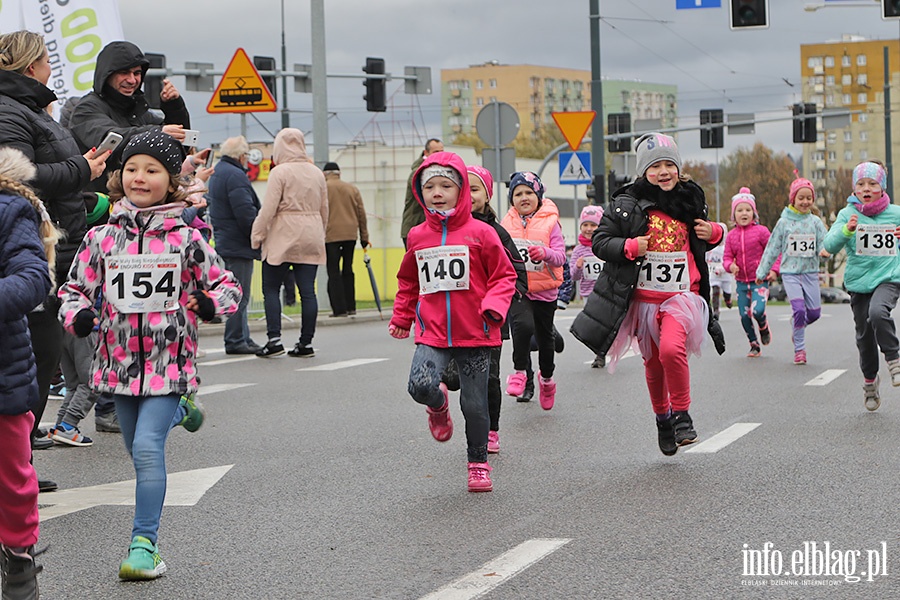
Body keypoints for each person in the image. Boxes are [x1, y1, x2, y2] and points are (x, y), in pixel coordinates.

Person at [57, 130, 241, 580]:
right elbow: (74, 290)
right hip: (117, 365)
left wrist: (211, 304)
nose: (140, 177)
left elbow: (226, 285)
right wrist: (78, 316)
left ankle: (144, 545)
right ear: (120, 177)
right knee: (134, 446)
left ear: (171, 180)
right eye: (132, 169)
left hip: (168, 362)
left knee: (145, 449)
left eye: (153, 170)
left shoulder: (186, 239)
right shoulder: (101, 238)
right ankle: (181, 411)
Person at [571, 133, 726, 456]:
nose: (664, 171)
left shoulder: (690, 198)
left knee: (672, 350)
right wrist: (627, 247)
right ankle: (663, 418)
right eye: (656, 166)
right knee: (654, 364)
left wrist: (716, 232)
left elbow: (703, 236)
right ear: (643, 172)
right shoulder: (627, 204)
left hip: (681, 297)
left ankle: (682, 414)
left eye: (670, 164)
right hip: (643, 299)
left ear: (680, 169)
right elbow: (600, 241)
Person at [0, 31, 109, 490]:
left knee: (40, 358)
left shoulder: (31, 108)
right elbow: (18, 175)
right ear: (31, 66)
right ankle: (15, 467)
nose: (51, 67)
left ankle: (19, 465)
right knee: (33, 356)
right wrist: (83, 168)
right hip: (33, 246)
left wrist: (87, 193)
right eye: (47, 60)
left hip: (55, 242)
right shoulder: (10, 110)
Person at [389, 152, 517, 492]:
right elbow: (409, 280)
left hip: (476, 332)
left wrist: (493, 307)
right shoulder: (417, 236)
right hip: (432, 332)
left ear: (461, 191)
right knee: (419, 385)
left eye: (446, 185)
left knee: (475, 405)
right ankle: (438, 405)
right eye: (429, 186)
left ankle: (477, 463)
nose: (437, 192)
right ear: (420, 192)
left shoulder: (482, 233)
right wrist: (402, 315)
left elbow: (504, 276)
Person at [0, 147, 56, 599]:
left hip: (3, 373)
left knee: (12, 479)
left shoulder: (10, 207)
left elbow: (33, 274)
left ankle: (18, 557)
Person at [823, 161, 900, 410]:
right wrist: (846, 230)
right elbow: (830, 243)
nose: (866, 188)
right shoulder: (848, 214)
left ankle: (893, 358)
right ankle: (870, 382)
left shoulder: (895, 213)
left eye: (872, 184)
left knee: (878, 313)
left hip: (888, 276)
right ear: (854, 188)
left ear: (883, 187)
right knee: (864, 337)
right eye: (861, 184)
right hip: (858, 282)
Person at [67, 40, 190, 193]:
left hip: (134, 204)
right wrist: (158, 132)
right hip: (98, 205)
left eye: (137, 73)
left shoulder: (138, 111)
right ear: (107, 75)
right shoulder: (86, 109)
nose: (132, 80)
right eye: (124, 73)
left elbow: (177, 149)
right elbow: (111, 139)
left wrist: (174, 107)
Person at [251, 128, 327, 358]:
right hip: (311, 232)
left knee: (272, 288)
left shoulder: (279, 172)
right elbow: (325, 209)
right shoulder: (317, 173)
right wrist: (320, 231)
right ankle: (306, 343)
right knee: (308, 292)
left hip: (283, 233)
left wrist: (257, 235)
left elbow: (269, 209)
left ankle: (274, 340)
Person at [467, 165, 526, 454]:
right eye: (462, 188)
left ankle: (491, 430)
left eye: (474, 189)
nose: (468, 195)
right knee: (454, 375)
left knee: (488, 377)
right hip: (455, 319)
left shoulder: (496, 232)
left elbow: (519, 274)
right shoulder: (442, 231)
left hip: (489, 321)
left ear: (487, 195)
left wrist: (502, 302)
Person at [500, 172, 567, 410]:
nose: (524, 197)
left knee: (545, 340)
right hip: (519, 289)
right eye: (518, 194)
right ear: (511, 199)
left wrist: (545, 253)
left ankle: (546, 380)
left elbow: (560, 257)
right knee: (522, 328)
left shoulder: (551, 223)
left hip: (545, 291)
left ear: (539, 196)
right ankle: (520, 373)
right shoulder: (506, 224)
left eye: (529, 192)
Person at [756, 175, 827, 365]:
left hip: (811, 272)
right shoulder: (783, 222)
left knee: (814, 314)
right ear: (793, 199)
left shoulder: (816, 223)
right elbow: (772, 248)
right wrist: (761, 272)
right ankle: (800, 350)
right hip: (790, 273)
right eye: (801, 198)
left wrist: (825, 251)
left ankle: (797, 325)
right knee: (798, 309)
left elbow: (824, 243)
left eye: (808, 198)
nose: (805, 202)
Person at [207, 135, 262, 355]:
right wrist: (257, 235)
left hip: (225, 239)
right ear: (241, 156)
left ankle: (243, 337)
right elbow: (244, 211)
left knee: (235, 291)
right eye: (247, 155)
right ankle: (236, 339)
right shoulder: (236, 175)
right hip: (238, 242)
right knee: (240, 294)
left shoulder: (219, 172)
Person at [723, 188, 777, 358]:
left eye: (748, 210)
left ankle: (763, 325)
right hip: (741, 283)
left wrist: (774, 270)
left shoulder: (761, 232)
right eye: (739, 210)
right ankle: (754, 344)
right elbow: (726, 258)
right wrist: (730, 267)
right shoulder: (731, 236)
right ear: (734, 215)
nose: (744, 213)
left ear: (754, 213)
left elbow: (773, 251)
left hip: (759, 281)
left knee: (757, 311)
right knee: (744, 316)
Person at [322, 162, 369, 317]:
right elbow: (361, 213)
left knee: (333, 271)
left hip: (330, 236)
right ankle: (351, 306)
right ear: (339, 173)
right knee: (348, 269)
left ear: (325, 174)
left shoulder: (323, 189)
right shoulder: (352, 188)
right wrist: (364, 237)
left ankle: (339, 309)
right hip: (350, 235)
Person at [570, 205, 606, 368]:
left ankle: (602, 352)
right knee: (593, 326)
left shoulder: (605, 245)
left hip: (606, 292)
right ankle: (599, 352)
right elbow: (573, 276)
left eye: (593, 225)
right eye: (585, 225)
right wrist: (578, 266)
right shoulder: (578, 250)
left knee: (605, 323)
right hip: (587, 293)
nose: (589, 229)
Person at [400, 138, 443, 248]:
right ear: (426, 153)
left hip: (428, 229)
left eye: (441, 152)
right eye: (436, 152)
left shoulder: (437, 171)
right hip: (415, 228)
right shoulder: (418, 174)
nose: (439, 155)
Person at [705, 222, 734, 320]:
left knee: (726, 292)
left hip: (725, 275)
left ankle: (728, 300)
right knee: (715, 292)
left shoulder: (726, 248)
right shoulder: (711, 248)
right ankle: (716, 310)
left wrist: (722, 269)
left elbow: (728, 260)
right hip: (714, 275)